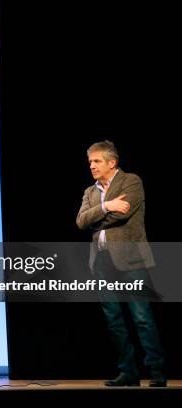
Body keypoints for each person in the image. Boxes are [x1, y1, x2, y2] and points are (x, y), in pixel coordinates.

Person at [76, 141, 166, 387]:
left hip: (131, 260)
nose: (92, 166)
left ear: (111, 162)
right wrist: (106, 205)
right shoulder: (90, 192)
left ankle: (157, 371)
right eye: (90, 162)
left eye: (97, 161)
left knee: (141, 316)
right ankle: (128, 372)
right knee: (114, 319)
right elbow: (81, 221)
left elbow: (123, 214)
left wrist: (99, 216)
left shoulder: (130, 181)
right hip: (102, 262)